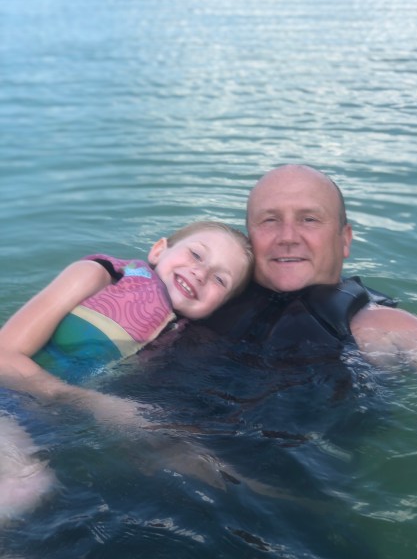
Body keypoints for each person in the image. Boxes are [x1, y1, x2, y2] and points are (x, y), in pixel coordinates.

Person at [0, 220, 253, 521]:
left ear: (220, 306)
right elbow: (4, 354)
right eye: (196, 254)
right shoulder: (98, 275)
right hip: (7, 399)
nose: (201, 272)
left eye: (220, 280)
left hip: (43, 425)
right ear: (158, 250)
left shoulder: (179, 344)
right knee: (26, 485)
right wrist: (85, 400)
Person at [198, 164, 417, 387]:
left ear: (345, 239)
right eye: (269, 220)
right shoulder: (203, 293)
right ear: (248, 238)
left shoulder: (391, 328)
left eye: (309, 219)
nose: (287, 237)